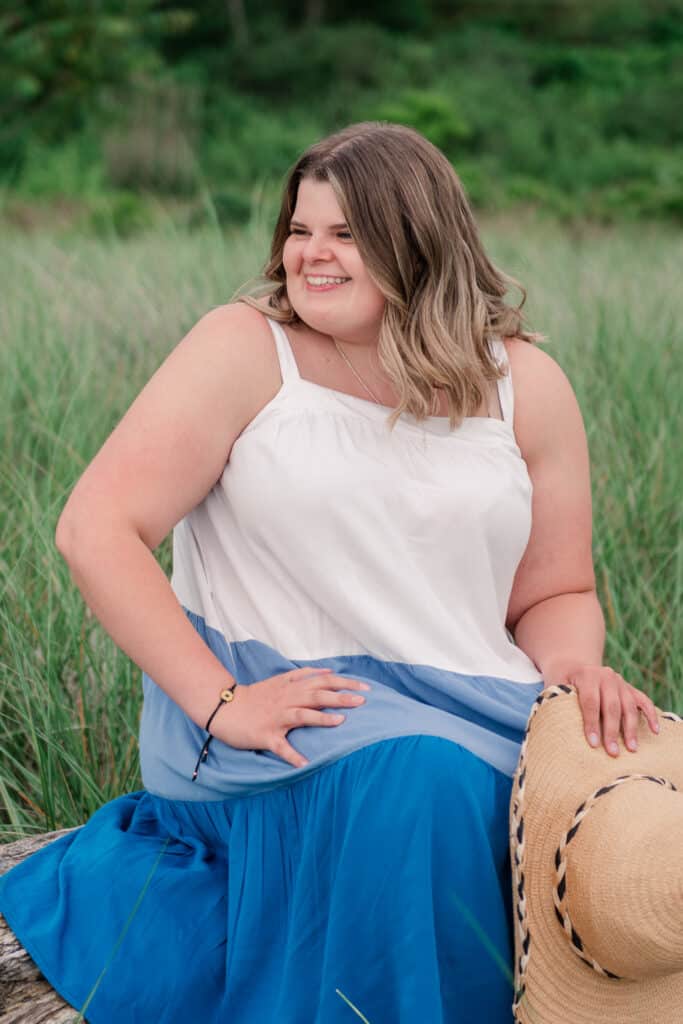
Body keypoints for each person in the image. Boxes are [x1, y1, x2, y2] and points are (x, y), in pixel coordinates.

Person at [0, 121, 661, 1023]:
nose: (311, 255)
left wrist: (573, 670)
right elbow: (95, 528)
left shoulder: (525, 384)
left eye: (346, 234)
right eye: (299, 230)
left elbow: (555, 591)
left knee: (614, 822)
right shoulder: (244, 349)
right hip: (285, 717)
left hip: (479, 708)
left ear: (418, 239)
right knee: (420, 785)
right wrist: (221, 702)